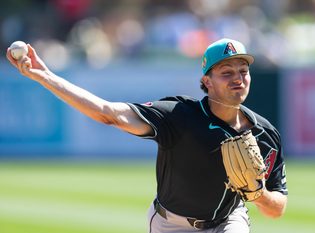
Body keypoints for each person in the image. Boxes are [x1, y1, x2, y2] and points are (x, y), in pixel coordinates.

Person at [6, 38, 288, 233]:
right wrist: (44, 76)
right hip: (171, 224)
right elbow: (109, 113)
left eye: (243, 71)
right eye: (227, 72)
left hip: (228, 221)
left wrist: (259, 194)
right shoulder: (179, 116)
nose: (238, 78)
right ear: (206, 82)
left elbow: (277, 209)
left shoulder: (265, 134)